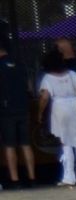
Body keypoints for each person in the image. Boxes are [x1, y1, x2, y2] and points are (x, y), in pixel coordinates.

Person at [37, 50, 76, 188]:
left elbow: (45, 97)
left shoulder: (48, 78)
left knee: (66, 143)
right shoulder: (72, 74)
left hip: (59, 107)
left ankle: (69, 176)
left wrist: (40, 112)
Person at [0, 38, 34, 189]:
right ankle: (32, 177)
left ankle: (15, 179)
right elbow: (30, 86)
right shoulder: (20, 64)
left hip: (6, 110)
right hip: (23, 108)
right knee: (26, 144)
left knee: (10, 145)